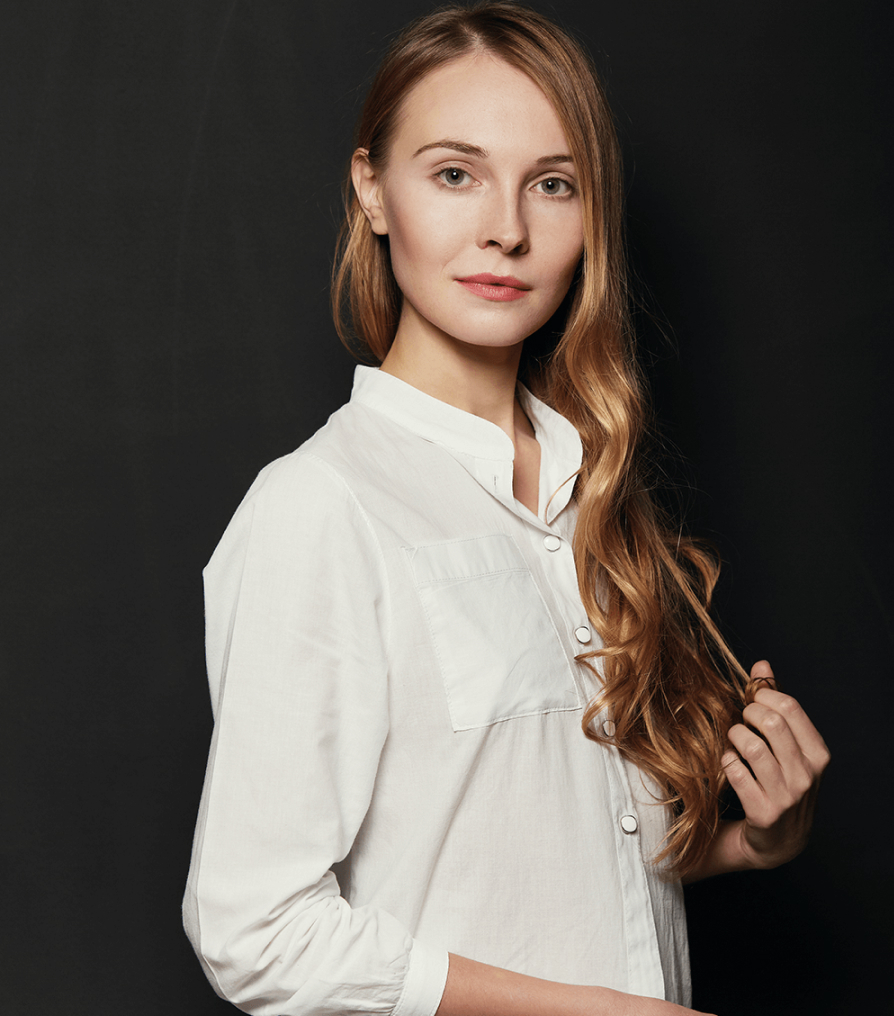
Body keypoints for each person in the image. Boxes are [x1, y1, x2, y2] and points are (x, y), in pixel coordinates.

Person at [182, 3, 830, 1014]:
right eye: (456, 174)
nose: (507, 229)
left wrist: (754, 839)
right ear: (373, 190)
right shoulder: (321, 507)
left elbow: (550, 849)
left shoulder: (591, 492)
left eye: (553, 184)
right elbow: (253, 931)